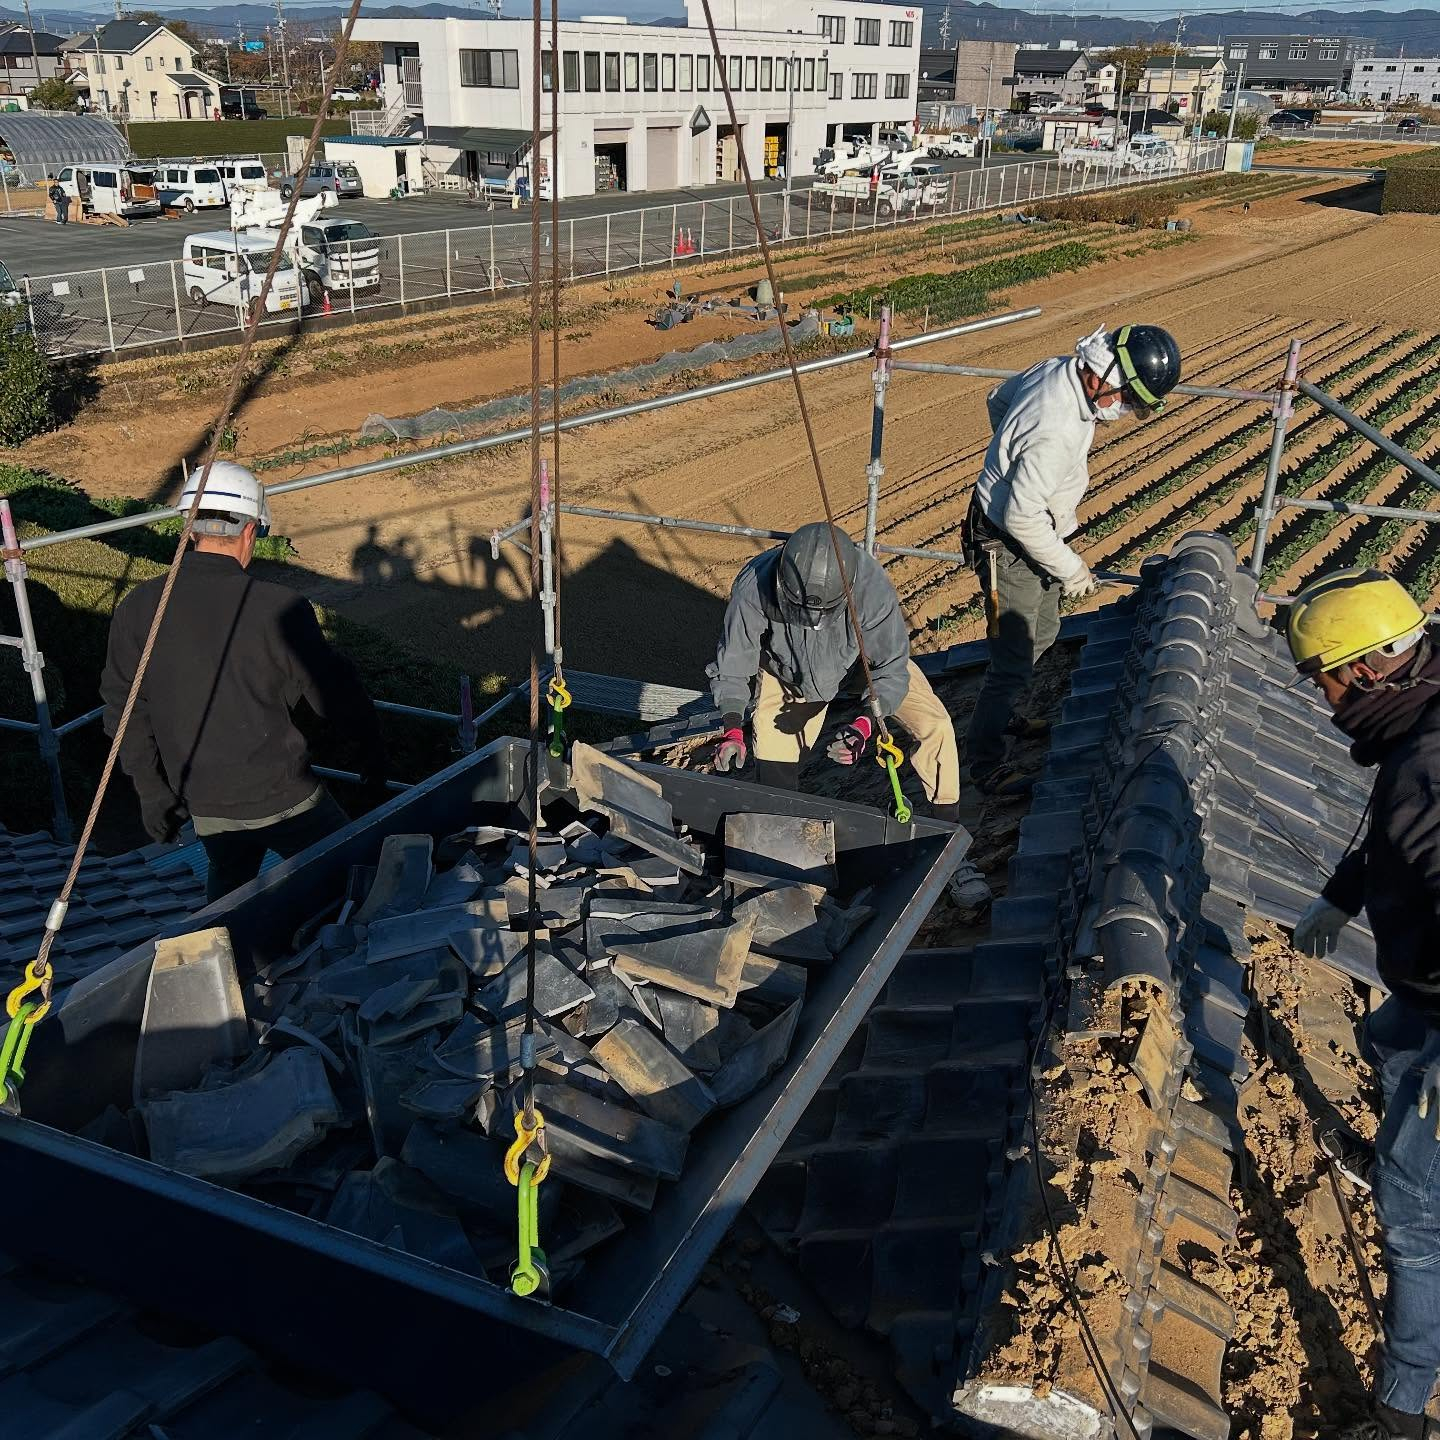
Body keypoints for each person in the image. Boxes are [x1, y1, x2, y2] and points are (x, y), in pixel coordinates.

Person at [1285, 568, 1440, 1440]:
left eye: (1324, 678)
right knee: (1384, 1036)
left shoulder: (1429, 768)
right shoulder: (1421, 718)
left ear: (1371, 669)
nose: (1319, 697)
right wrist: (1345, 895)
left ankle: (1403, 1411)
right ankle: (1396, 1131)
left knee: (1414, 1209)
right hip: (1424, 991)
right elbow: (1389, 832)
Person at [102, 462, 387, 903]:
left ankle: (227, 946)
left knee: (231, 893)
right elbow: (335, 695)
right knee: (356, 880)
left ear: (190, 529)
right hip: (285, 798)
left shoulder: (138, 608)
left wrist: (152, 793)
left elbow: (124, 712)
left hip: (205, 804)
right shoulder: (277, 607)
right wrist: (371, 755)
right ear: (250, 531)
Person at [963, 323, 1182, 795]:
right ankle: (985, 763)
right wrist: (1073, 569)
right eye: (1126, 399)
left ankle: (1007, 715)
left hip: (1036, 531)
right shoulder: (1057, 428)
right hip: (1009, 540)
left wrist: (1010, 453)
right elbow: (1021, 518)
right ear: (1103, 378)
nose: (1124, 411)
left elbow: (998, 399)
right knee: (1012, 657)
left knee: (1043, 630)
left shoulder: (1057, 370)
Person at [708, 522, 962, 821]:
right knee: (773, 757)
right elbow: (733, 663)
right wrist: (733, 728)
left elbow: (891, 668)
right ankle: (780, 833)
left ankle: (947, 828)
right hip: (789, 672)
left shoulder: (871, 587)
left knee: (936, 725)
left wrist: (865, 725)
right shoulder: (754, 586)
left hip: (860, 664)